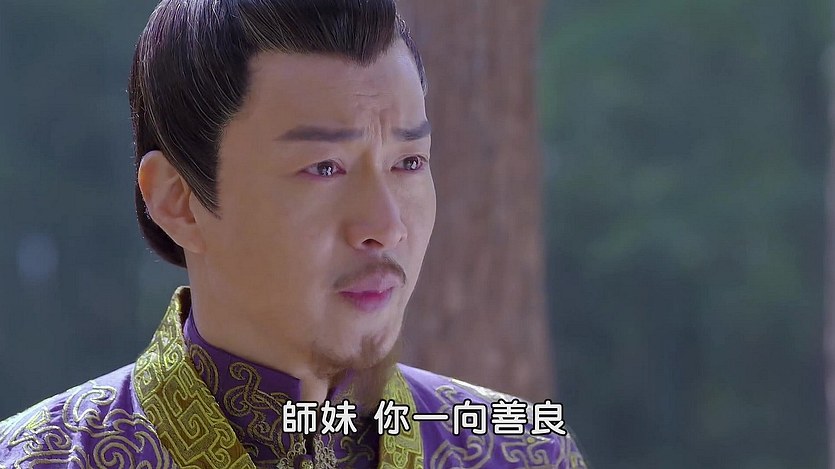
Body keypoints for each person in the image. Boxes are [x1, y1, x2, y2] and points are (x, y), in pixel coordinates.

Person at [0, 0, 587, 467]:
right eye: (323, 168)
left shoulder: (523, 452)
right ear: (178, 201)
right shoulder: (40, 458)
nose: (386, 227)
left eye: (409, 162)